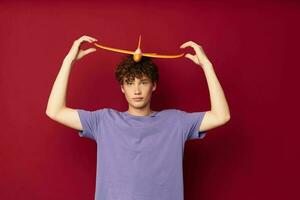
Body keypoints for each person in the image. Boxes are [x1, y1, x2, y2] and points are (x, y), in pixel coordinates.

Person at [46, 35, 230, 200]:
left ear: (154, 85)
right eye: (129, 83)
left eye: (143, 82)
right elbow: (55, 111)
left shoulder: (176, 122)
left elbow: (221, 116)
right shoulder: (103, 121)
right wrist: (68, 61)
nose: (136, 90)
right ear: (122, 87)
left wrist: (207, 66)